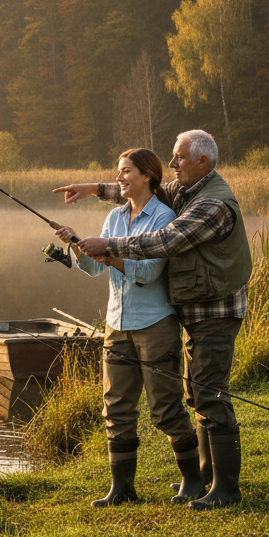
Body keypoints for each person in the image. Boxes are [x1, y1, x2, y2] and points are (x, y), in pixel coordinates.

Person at [53, 129, 252, 510]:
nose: (173, 163)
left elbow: (166, 241)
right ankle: (201, 479)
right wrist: (92, 192)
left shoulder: (212, 204)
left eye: (180, 157)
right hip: (187, 310)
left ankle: (224, 488)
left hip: (215, 311)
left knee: (207, 395)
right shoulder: (185, 190)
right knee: (194, 394)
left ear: (202, 162)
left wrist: (108, 247)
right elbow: (141, 190)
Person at [56, 148, 202, 507]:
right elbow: (95, 269)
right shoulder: (114, 217)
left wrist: (108, 253)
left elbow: (149, 272)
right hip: (116, 324)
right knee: (116, 408)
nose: (119, 178)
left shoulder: (164, 217)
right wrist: (76, 245)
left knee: (165, 408)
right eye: (119, 171)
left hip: (155, 324)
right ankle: (121, 489)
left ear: (147, 176)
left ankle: (193, 481)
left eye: (126, 171)